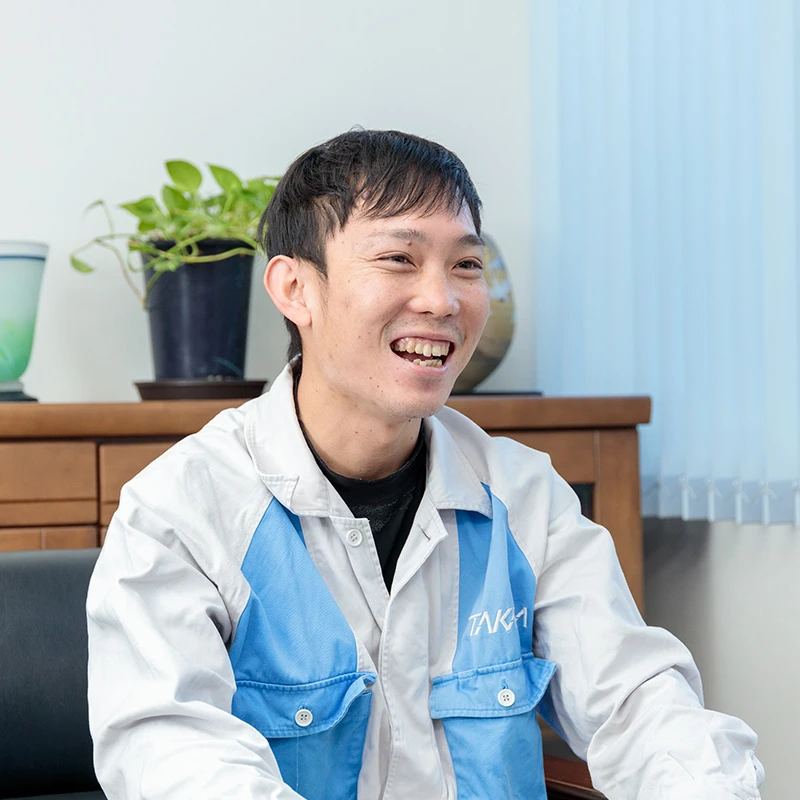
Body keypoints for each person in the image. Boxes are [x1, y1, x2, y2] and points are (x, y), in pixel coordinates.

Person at [86, 130, 763, 800]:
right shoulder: (181, 511)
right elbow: (175, 757)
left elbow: (639, 705)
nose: (442, 300)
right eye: (398, 259)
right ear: (295, 288)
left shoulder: (525, 499)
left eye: (465, 265)